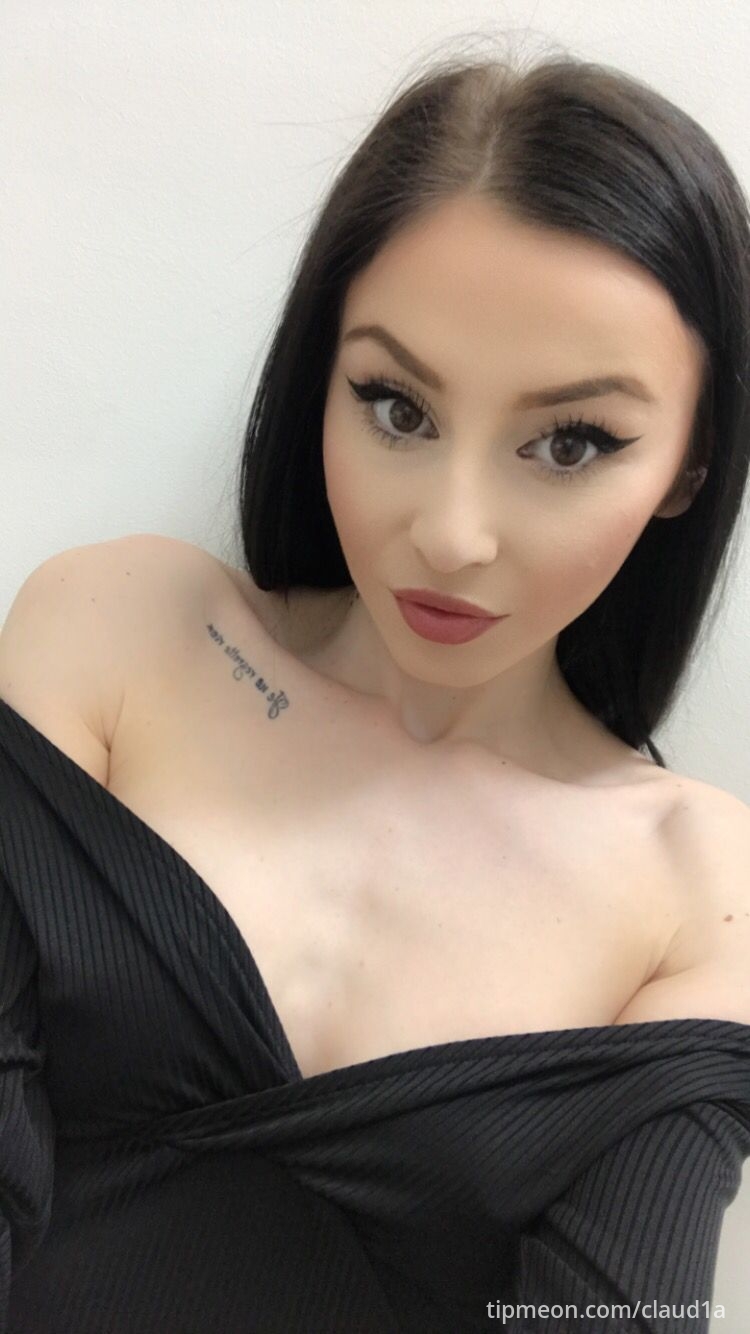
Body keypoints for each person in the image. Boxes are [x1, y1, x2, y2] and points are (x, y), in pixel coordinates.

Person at [2, 43, 750, 1334]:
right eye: (397, 407)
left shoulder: (701, 895)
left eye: (571, 442)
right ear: (322, 380)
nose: (451, 535)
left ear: (688, 465)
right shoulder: (120, 632)